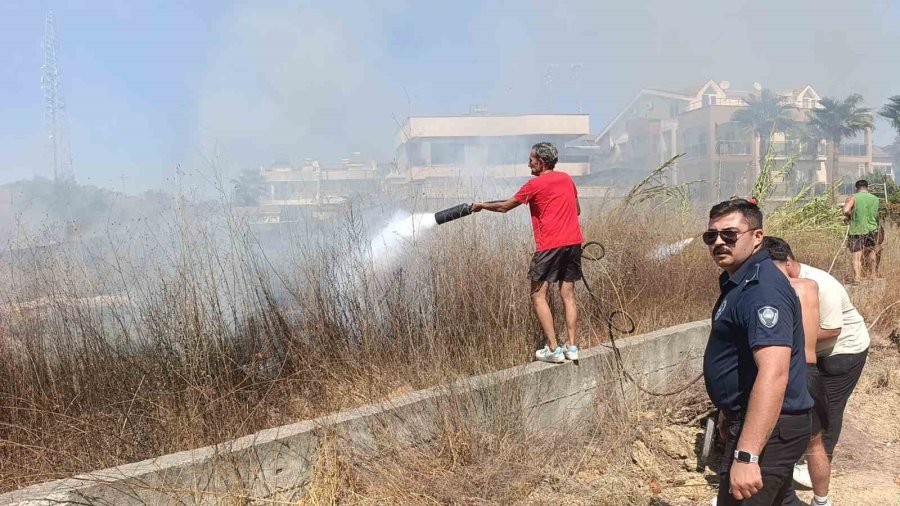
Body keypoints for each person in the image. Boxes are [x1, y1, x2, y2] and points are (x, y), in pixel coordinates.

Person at [703, 198, 812, 505]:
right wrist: (729, 410)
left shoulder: (762, 289)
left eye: (730, 234)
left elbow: (774, 371)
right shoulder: (739, 281)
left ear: (757, 237)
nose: (719, 242)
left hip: (771, 428)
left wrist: (748, 455)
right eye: (711, 236)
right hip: (755, 419)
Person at [756, 237, 870, 505]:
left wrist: (785, 338)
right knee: (806, 416)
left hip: (844, 350)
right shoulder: (783, 283)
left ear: (789, 262)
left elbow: (832, 329)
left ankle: (817, 469)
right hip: (812, 355)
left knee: (826, 412)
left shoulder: (818, 285)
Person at [471, 142, 583, 363]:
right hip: (574, 242)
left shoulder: (534, 185)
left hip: (550, 245)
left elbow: (504, 207)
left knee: (537, 295)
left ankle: (553, 349)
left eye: (531, 160)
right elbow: (577, 210)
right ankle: (571, 346)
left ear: (541, 163)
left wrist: (482, 206)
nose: (528, 163)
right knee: (568, 295)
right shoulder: (567, 179)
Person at [763, 237, 832, 506]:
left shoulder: (769, 292)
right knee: (815, 444)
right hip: (811, 371)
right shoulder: (809, 287)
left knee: (770, 442)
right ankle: (821, 501)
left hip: (787, 372)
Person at [842, 179, 880, 283]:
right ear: (867, 187)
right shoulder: (875, 199)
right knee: (872, 252)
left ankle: (857, 278)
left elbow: (845, 210)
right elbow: (876, 215)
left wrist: (851, 216)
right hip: (873, 229)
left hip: (857, 229)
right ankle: (873, 275)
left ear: (856, 187)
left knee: (856, 255)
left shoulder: (853, 197)